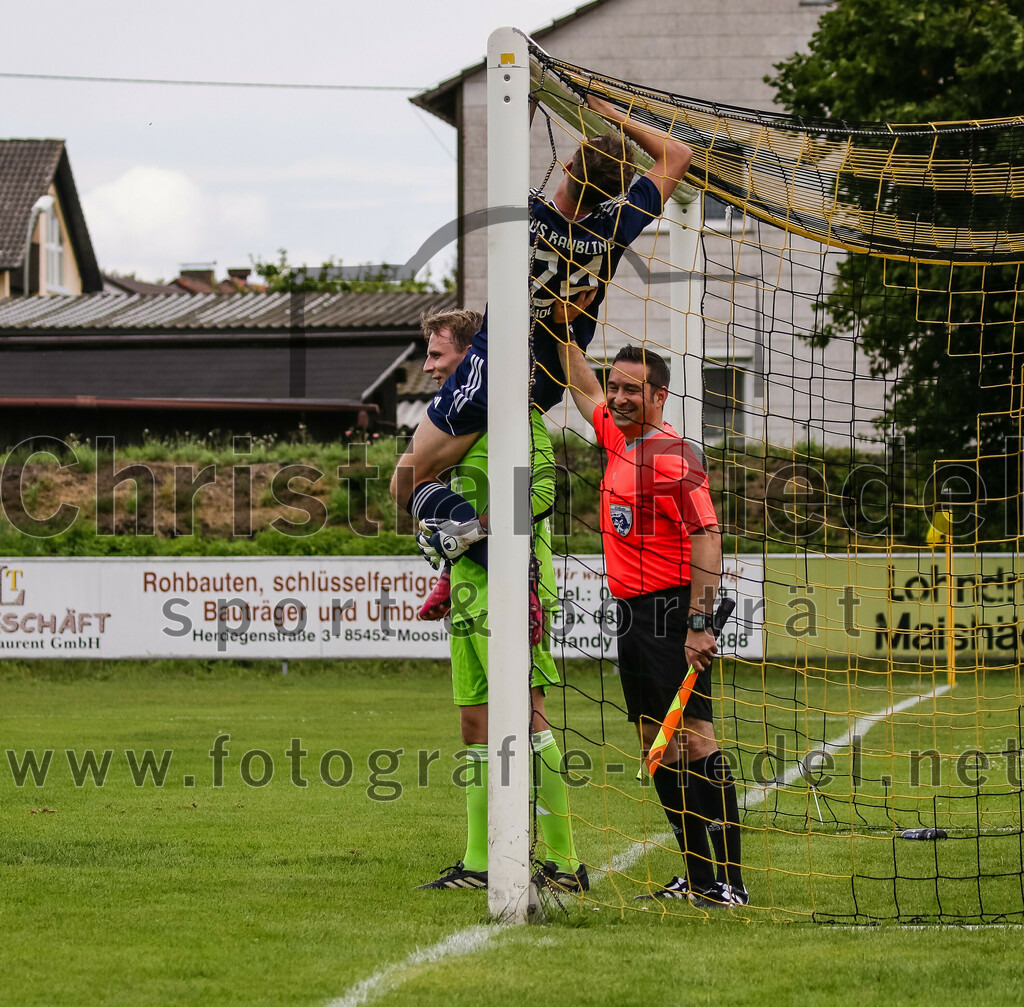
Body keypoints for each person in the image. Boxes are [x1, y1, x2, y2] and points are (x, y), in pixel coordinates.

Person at [389, 95, 693, 571]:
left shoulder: (524, 215)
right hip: (552, 378)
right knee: (476, 473)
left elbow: (501, 155)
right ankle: (474, 542)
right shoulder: (616, 227)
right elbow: (677, 157)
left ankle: (483, 545)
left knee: (407, 483)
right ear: (616, 191)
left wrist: (524, 96)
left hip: (495, 369)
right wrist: (619, 118)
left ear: (568, 163)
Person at [561, 339, 748, 907]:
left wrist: (699, 621)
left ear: (659, 395)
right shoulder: (619, 436)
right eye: (615, 385)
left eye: (631, 389)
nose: (616, 396)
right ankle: (696, 875)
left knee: (693, 739)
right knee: (654, 741)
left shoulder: (674, 456)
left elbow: (708, 536)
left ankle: (730, 882)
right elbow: (581, 386)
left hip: (671, 610)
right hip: (632, 614)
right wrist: (561, 320)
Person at [412, 309, 587, 894]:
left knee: (530, 719)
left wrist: (474, 529)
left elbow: (539, 493)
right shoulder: (451, 432)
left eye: (438, 356)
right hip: (467, 589)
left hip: (517, 588)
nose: (429, 368)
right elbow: (439, 508)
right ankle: (479, 862)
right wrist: (443, 554)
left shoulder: (518, 415)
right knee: (473, 724)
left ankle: (562, 864)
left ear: (473, 360)